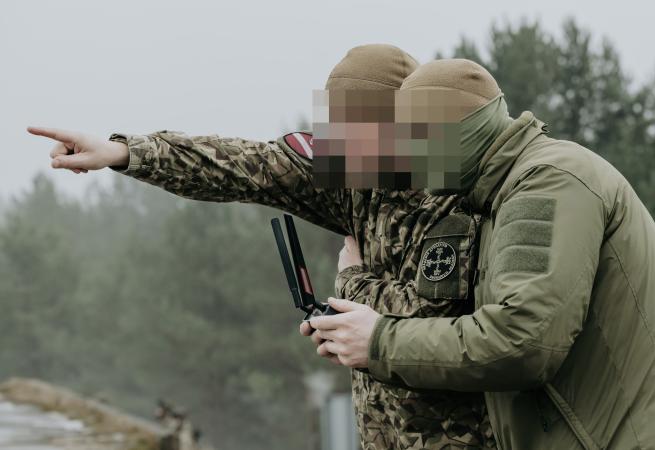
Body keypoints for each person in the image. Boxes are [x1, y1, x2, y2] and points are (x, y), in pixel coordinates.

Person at [28, 45, 495, 449]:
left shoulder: (454, 197)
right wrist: (125, 153)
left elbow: (435, 324)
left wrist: (352, 286)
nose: (342, 148)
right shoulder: (358, 179)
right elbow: (242, 165)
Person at [305, 58, 655, 449]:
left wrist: (380, 341)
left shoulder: (547, 182)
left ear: (457, 132)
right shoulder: (498, 201)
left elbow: (524, 340)